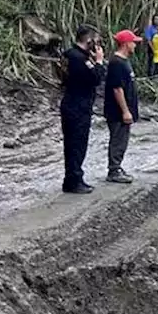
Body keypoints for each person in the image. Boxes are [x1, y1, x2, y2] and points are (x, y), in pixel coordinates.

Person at [59, 24, 104, 194]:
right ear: (89, 40)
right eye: (96, 40)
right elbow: (96, 78)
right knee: (76, 144)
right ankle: (74, 180)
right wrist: (98, 61)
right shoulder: (79, 58)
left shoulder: (71, 55)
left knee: (73, 144)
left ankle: (73, 178)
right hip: (77, 105)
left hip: (73, 102)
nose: (98, 44)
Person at [104, 30, 141, 183]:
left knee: (122, 139)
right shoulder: (117, 63)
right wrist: (125, 111)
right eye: (133, 42)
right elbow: (117, 89)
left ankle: (117, 166)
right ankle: (114, 170)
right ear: (126, 44)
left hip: (124, 109)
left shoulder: (124, 61)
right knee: (118, 139)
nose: (135, 45)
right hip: (117, 111)